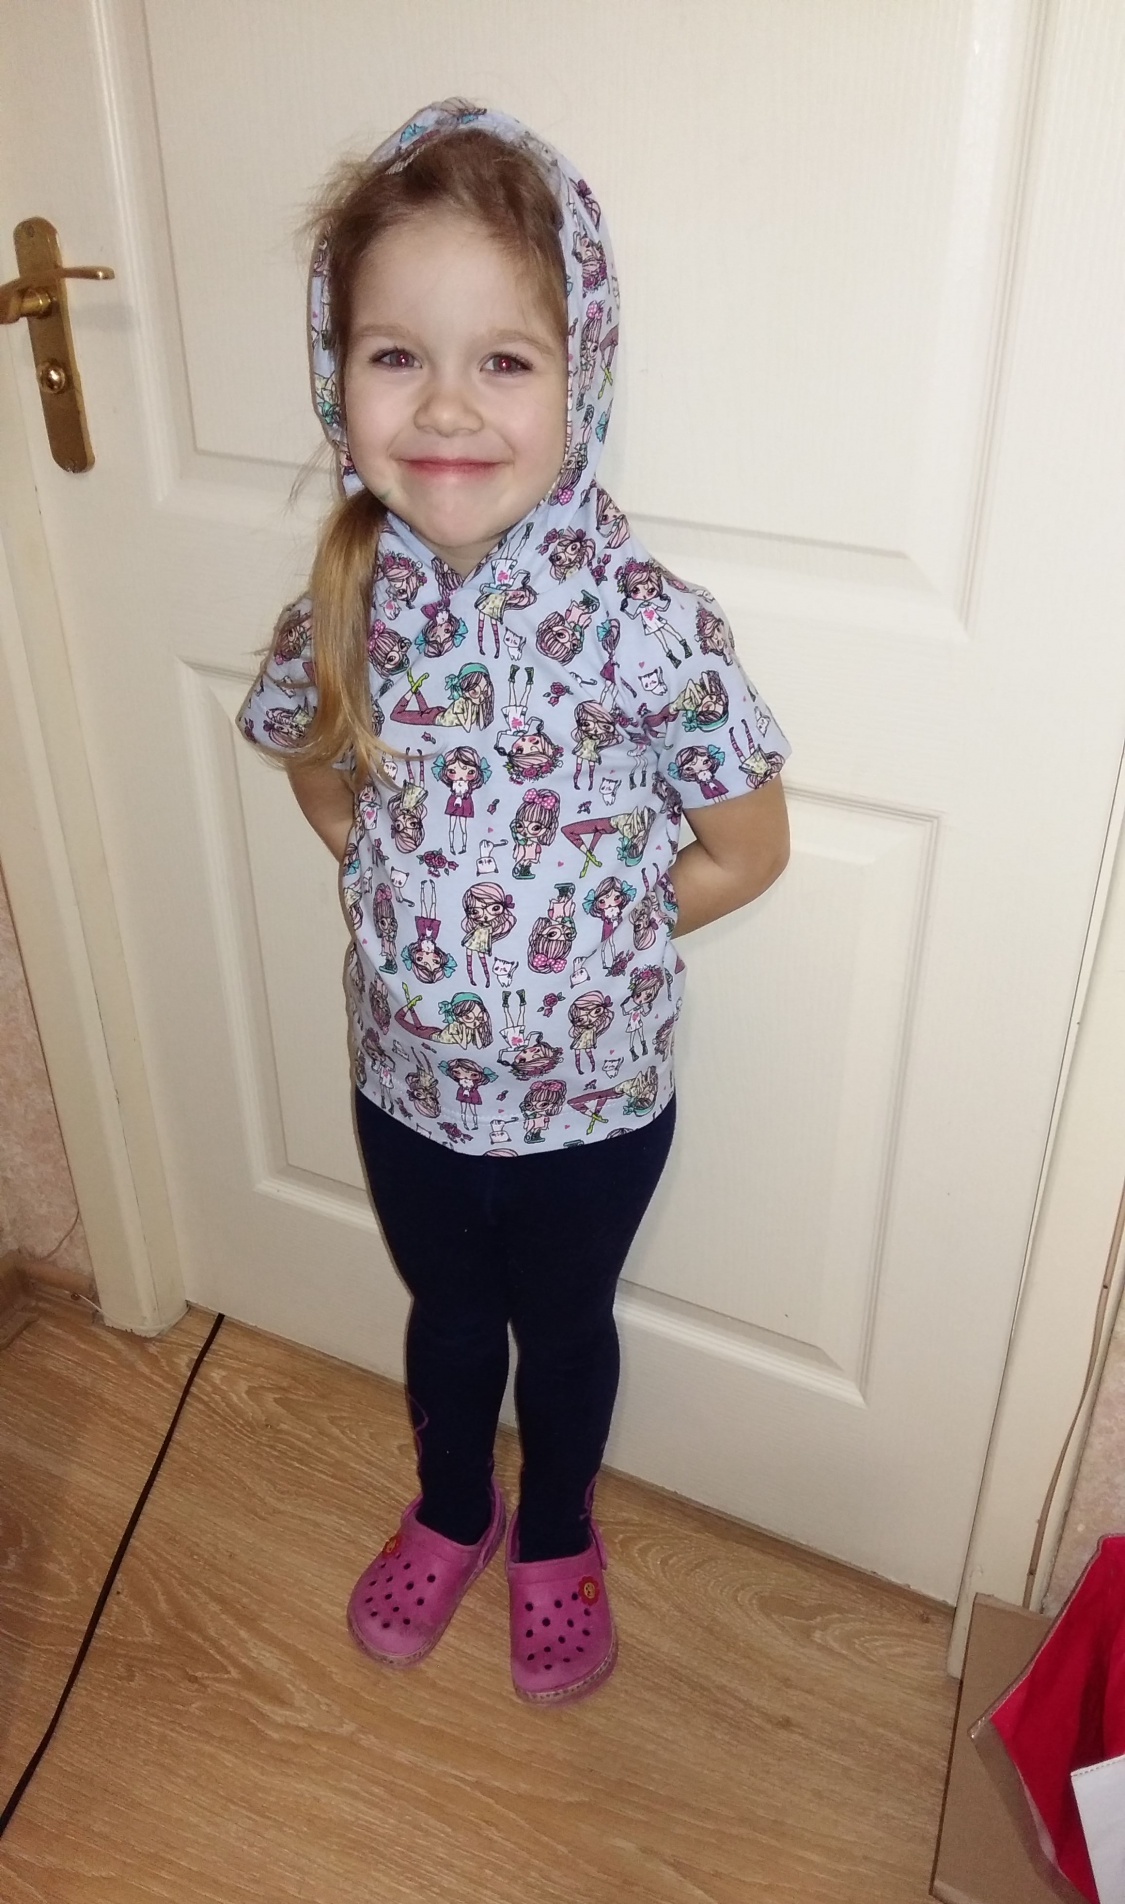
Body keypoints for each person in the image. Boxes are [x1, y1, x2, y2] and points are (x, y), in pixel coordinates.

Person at [237, 100, 790, 1706]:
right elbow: (310, 763)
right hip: (406, 1086)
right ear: (337, 379)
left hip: (593, 1102)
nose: (446, 405)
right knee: (445, 1316)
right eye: (395, 355)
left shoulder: (649, 628)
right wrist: (379, 875)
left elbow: (745, 849)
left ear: (579, 379)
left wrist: (601, 939)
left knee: (562, 1329)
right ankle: (452, 1508)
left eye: (503, 359)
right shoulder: (343, 603)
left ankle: (555, 1528)